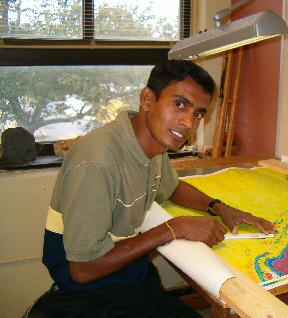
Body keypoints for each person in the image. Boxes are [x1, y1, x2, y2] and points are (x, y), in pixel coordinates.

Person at [41, 60, 275, 317]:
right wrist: (174, 229)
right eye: (179, 104)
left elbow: (171, 187)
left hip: (131, 277)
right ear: (147, 99)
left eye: (198, 113)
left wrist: (218, 207)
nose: (188, 122)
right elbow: (83, 270)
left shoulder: (152, 144)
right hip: (91, 295)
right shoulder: (97, 161)